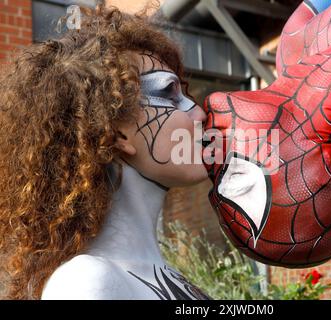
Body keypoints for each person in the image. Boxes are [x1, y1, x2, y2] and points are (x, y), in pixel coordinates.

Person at [0, 5, 210, 300]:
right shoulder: (86, 282)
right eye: (169, 92)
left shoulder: (167, 277)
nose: (199, 113)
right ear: (118, 132)